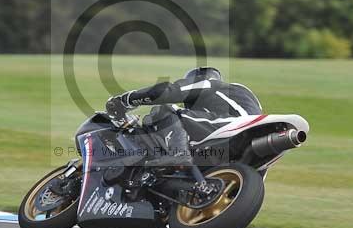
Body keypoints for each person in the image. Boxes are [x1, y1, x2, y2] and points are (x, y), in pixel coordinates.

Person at [104, 67, 262, 168]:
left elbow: (165, 92)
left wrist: (125, 100)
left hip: (233, 125)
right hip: (248, 143)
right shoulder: (241, 96)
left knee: (166, 110)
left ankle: (178, 154)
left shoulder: (207, 83)